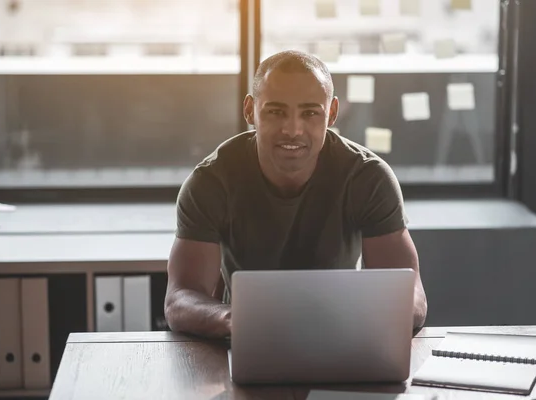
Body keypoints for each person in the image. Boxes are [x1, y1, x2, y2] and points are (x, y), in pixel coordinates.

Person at [164, 50, 428, 338]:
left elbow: (413, 295)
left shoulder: (367, 177)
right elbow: (180, 299)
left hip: (342, 335)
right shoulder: (212, 181)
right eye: (276, 112)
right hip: (250, 336)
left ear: (332, 113)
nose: (292, 129)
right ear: (250, 110)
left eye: (310, 113)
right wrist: (232, 318)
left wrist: (365, 317)